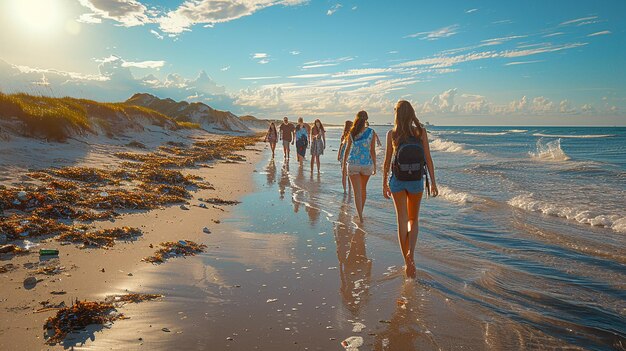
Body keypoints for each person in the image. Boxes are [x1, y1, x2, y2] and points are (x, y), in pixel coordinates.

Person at [382, 100, 438, 279]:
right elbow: (428, 159)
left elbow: (387, 162)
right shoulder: (420, 132)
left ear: (396, 114)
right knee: (413, 219)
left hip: (397, 181)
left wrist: (384, 183)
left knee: (401, 221)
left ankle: (407, 264)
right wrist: (434, 183)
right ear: (411, 113)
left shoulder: (392, 134)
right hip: (416, 182)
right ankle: (411, 255)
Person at [342, 111, 378, 223]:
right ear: (367, 119)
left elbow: (347, 150)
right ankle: (360, 213)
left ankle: (360, 216)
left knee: (356, 192)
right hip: (366, 165)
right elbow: (372, 151)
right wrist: (375, 166)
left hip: (353, 164)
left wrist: (344, 165)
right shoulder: (371, 132)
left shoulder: (352, 132)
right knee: (363, 189)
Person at [337, 120, 353, 193]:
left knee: (345, 173)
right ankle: (347, 189)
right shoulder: (350, 135)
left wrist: (339, 155)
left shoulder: (345, 135)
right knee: (347, 174)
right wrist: (339, 155)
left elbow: (341, 146)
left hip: (345, 155)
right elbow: (341, 146)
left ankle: (346, 190)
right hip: (348, 155)